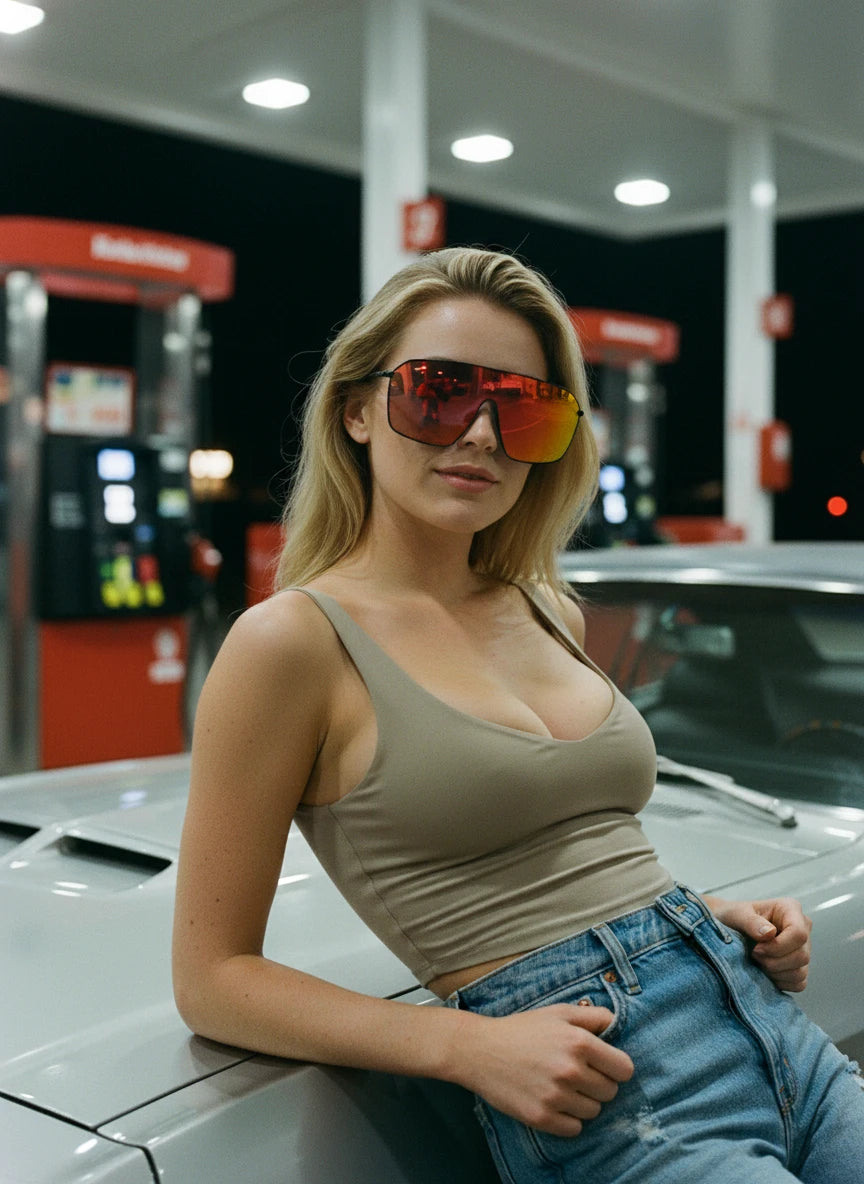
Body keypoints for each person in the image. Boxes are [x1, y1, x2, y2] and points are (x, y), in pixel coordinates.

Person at [173, 247, 864, 1182]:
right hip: (620, 1092)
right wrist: (462, 1046)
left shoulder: (547, 605)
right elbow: (212, 979)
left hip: (765, 1018)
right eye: (440, 393)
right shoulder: (293, 644)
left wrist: (708, 918)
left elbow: (565, 844)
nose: (485, 436)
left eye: (527, 407)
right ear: (358, 408)